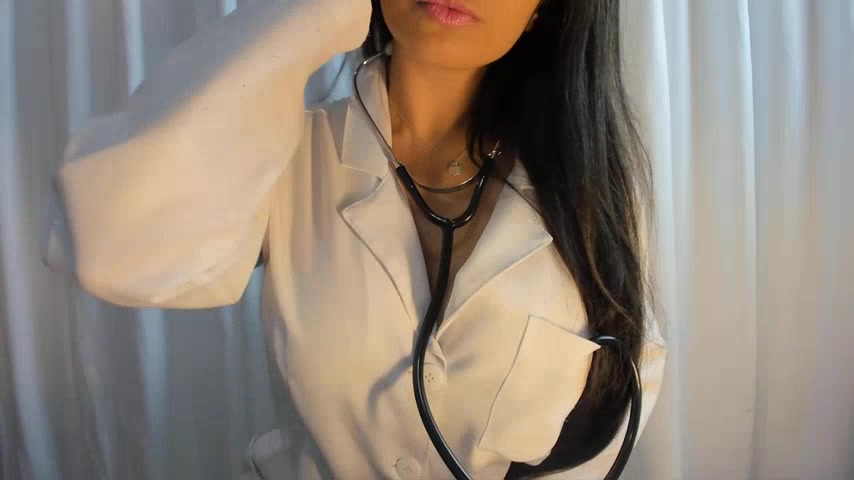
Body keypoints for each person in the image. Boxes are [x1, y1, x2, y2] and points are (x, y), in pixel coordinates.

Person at [43, 0, 667, 478]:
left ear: (545, 10)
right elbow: (113, 247)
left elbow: (614, 408)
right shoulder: (286, 154)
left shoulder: (590, 190)